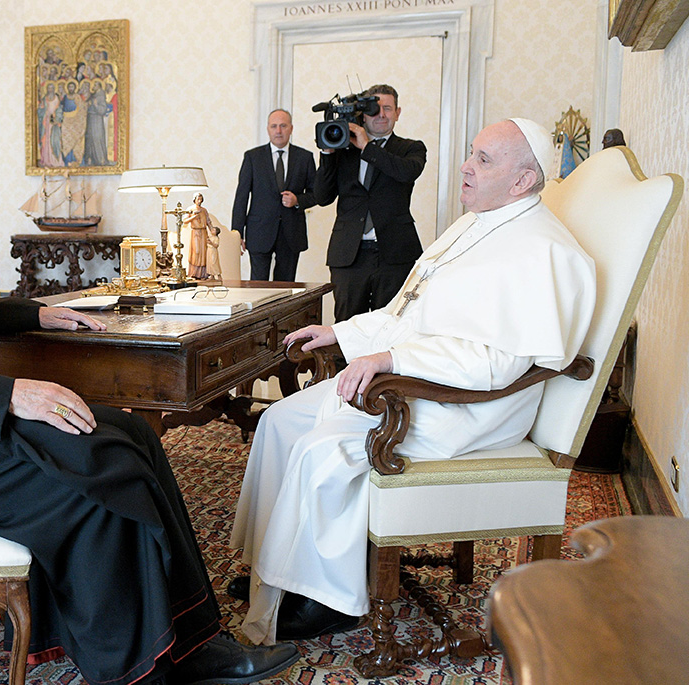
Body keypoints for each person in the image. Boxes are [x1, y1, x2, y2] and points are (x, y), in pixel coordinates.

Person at [0, 119, 299, 685]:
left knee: (132, 435)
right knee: (101, 477)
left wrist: (36, 313)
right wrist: (10, 395)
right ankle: (138, 667)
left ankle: (194, 637)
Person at [228, 118, 596, 646]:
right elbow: (409, 313)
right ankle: (274, 567)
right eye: (471, 153)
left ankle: (322, 598)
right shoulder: (473, 224)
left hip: (472, 405)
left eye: (483, 160)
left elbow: (496, 366)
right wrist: (341, 331)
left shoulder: (544, 251)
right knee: (280, 421)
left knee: (321, 450)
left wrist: (390, 358)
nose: (465, 167)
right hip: (423, 376)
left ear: (522, 181)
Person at [313, 84, 427, 322]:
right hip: (349, 255)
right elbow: (322, 197)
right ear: (363, 113)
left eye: (387, 108)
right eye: (374, 108)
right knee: (346, 325)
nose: (381, 114)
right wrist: (327, 154)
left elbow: (406, 173)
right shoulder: (342, 149)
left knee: (390, 324)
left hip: (395, 255)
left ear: (398, 113)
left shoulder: (411, 148)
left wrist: (367, 146)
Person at [232, 109, 318, 281]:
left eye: (283, 126)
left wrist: (297, 200)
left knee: (285, 288)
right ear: (268, 129)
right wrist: (237, 232)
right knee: (257, 287)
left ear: (291, 128)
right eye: (274, 126)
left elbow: (316, 194)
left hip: (291, 233)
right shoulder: (252, 157)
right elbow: (241, 196)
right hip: (259, 232)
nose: (278, 131)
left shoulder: (304, 157)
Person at [184, 192, 215, 279]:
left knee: (204, 252)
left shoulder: (204, 210)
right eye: (198, 199)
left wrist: (212, 229)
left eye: (201, 199)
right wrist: (194, 217)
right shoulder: (190, 209)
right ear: (194, 200)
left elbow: (208, 221)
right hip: (196, 232)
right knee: (196, 252)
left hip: (203, 232)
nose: (199, 201)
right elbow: (185, 220)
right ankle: (194, 273)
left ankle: (203, 273)